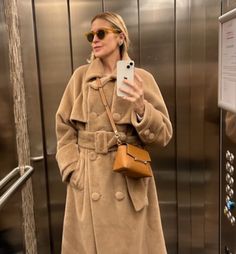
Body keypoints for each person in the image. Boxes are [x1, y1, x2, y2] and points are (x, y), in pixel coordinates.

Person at [55, 11, 172, 254]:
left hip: (128, 182)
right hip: (88, 181)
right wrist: (73, 169)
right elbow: (63, 127)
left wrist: (141, 106)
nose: (94, 40)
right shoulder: (80, 79)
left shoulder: (140, 78)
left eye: (101, 33)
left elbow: (163, 135)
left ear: (120, 38)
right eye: (91, 35)